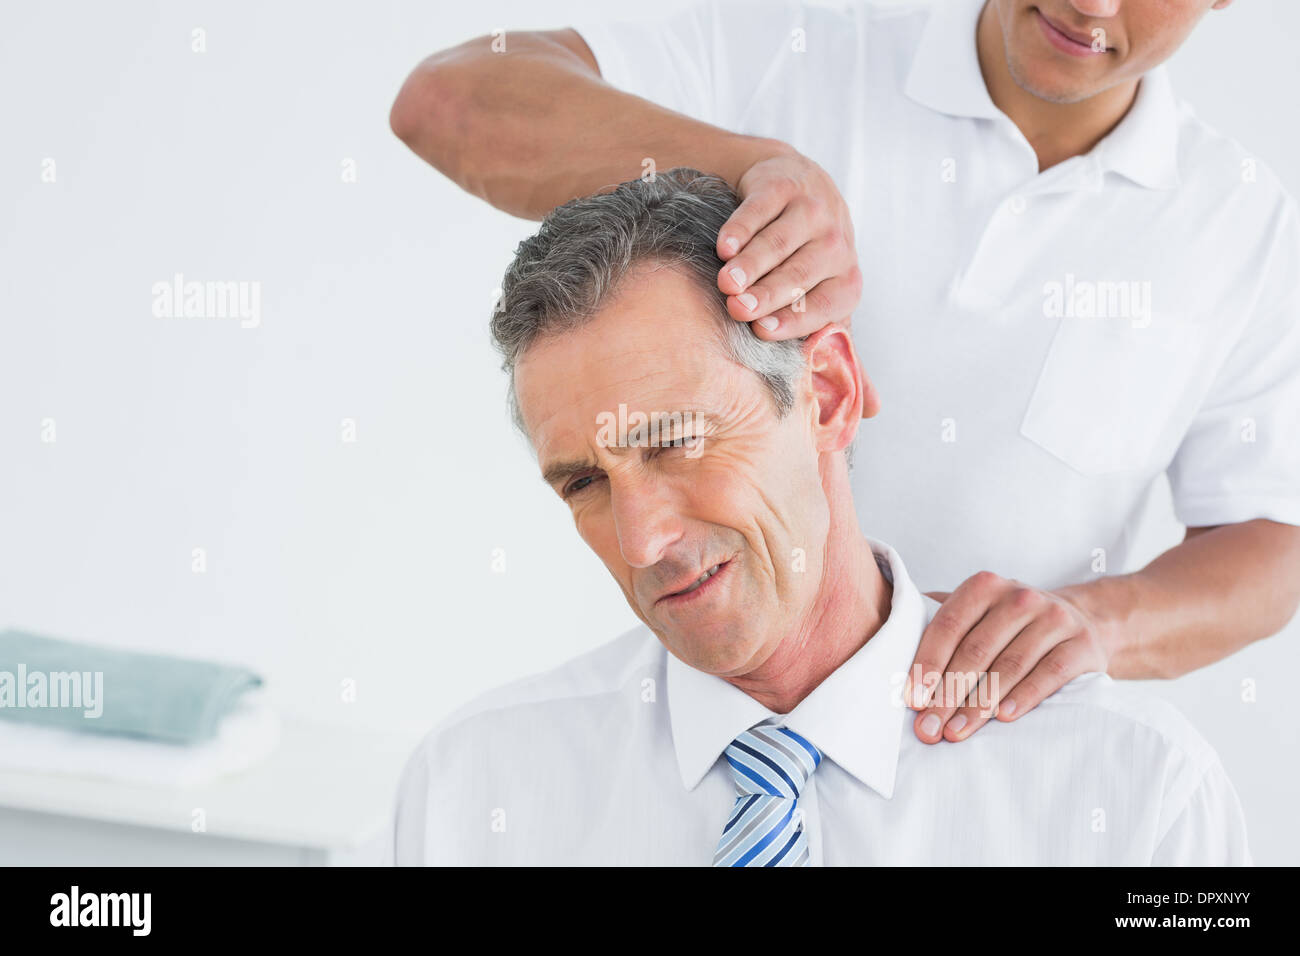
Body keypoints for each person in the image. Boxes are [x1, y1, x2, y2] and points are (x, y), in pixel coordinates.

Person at [389, 0, 1300, 745]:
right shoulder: (792, 57)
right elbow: (449, 101)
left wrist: (1100, 621)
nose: (1090, 5)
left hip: (988, 750)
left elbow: (1274, 536)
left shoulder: (1244, 228)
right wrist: (752, 169)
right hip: (717, 721)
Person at [386, 169, 1249, 865]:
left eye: (677, 442)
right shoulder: (475, 790)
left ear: (828, 395)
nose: (641, 538)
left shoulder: (1135, 791)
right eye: (583, 483)